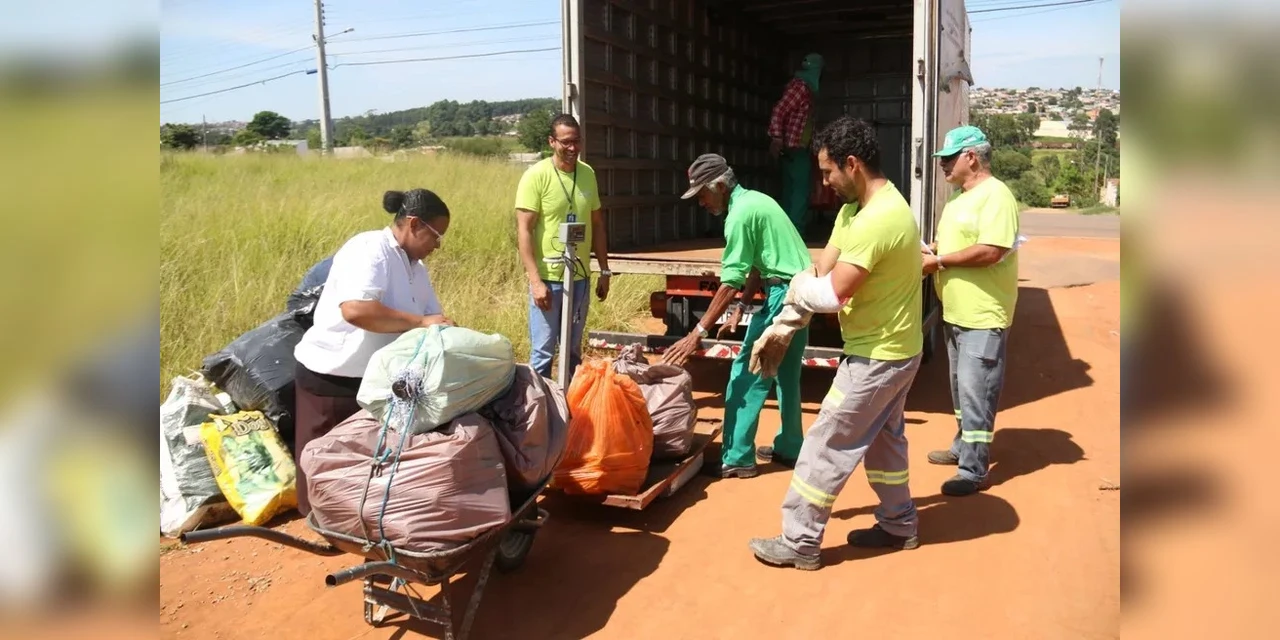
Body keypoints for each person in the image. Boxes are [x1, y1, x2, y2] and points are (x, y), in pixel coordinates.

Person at [747, 116, 924, 571]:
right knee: (885, 443)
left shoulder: (881, 219)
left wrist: (796, 295)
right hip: (891, 349)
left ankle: (800, 540)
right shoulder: (854, 211)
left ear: (852, 164)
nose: (823, 182)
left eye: (828, 172)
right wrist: (787, 321)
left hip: (878, 356)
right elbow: (821, 270)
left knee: (826, 442)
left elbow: (829, 293)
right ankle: (899, 523)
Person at [292, 188, 452, 516]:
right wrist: (421, 322)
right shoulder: (370, 249)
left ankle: (349, 524)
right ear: (414, 224)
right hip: (332, 377)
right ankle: (317, 527)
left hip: (374, 381)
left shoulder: (416, 269)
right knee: (323, 460)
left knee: (357, 464)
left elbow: (432, 318)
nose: (437, 245)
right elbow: (356, 310)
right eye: (436, 235)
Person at [661, 153, 813, 479]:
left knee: (746, 375)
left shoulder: (740, 216)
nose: (701, 202)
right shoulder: (755, 202)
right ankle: (790, 446)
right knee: (786, 375)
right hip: (801, 293)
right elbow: (759, 264)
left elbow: (731, 280)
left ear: (718, 185)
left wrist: (697, 332)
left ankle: (738, 458)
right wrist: (742, 308)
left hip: (783, 298)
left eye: (702, 194)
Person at [921, 126, 1021, 496]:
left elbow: (991, 249)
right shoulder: (958, 199)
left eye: (949, 159)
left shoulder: (996, 196)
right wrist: (933, 249)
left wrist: (940, 261)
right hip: (956, 312)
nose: (943, 166)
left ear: (972, 157)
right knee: (961, 388)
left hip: (982, 315)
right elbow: (954, 242)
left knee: (977, 391)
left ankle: (974, 469)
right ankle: (963, 446)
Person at [514, 114, 612, 383]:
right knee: (543, 352)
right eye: (566, 142)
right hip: (548, 280)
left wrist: (604, 270)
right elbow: (524, 229)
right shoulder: (536, 176)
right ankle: (542, 414)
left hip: (579, 278)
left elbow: (597, 225)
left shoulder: (587, 173)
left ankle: (571, 408)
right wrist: (535, 281)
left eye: (576, 142)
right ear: (551, 142)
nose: (572, 148)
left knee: (572, 350)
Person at [768, 52, 824, 235]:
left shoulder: (805, 89)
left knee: (791, 191)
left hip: (798, 149)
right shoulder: (800, 87)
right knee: (799, 192)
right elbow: (779, 110)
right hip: (794, 149)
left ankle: (786, 233)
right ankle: (794, 233)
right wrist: (776, 137)